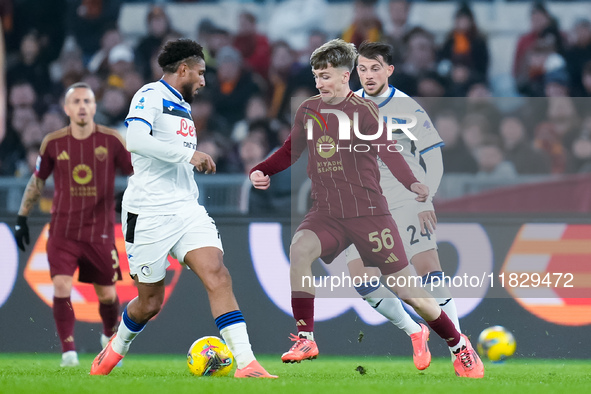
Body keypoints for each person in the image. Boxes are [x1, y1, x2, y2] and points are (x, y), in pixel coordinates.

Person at [249, 39, 484, 378]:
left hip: (368, 213)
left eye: (325, 76)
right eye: (316, 76)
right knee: (299, 249)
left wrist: (414, 185)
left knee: (410, 292)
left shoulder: (363, 112)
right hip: (327, 212)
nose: (319, 83)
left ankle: (458, 345)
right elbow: (290, 150)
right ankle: (306, 337)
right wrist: (262, 169)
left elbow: (389, 151)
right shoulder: (308, 110)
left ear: (345, 76)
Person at [89, 39, 276, 378]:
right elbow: (135, 141)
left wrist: (188, 160)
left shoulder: (183, 107)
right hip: (147, 212)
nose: (204, 81)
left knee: (217, 272)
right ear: (184, 70)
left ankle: (246, 363)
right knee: (150, 303)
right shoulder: (149, 95)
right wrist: (188, 154)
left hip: (186, 207)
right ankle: (116, 348)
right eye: (201, 73)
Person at [348, 41, 462, 370]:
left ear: (389, 70)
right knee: (363, 280)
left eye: (375, 68)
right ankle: (415, 330)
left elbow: (434, 157)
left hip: (405, 196)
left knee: (426, 265)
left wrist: (427, 198)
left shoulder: (407, 107)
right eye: (362, 69)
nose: (368, 75)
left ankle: (459, 347)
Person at [13, 82, 133, 367]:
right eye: (76, 101)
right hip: (63, 232)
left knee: (107, 293)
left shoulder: (112, 140)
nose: (82, 106)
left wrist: (128, 199)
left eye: (87, 101)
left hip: (99, 232)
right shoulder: (53, 142)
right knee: (61, 287)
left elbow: (135, 174)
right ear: (66, 108)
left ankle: (108, 337)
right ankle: (69, 352)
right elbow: (37, 181)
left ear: (94, 106)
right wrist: (21, 217)